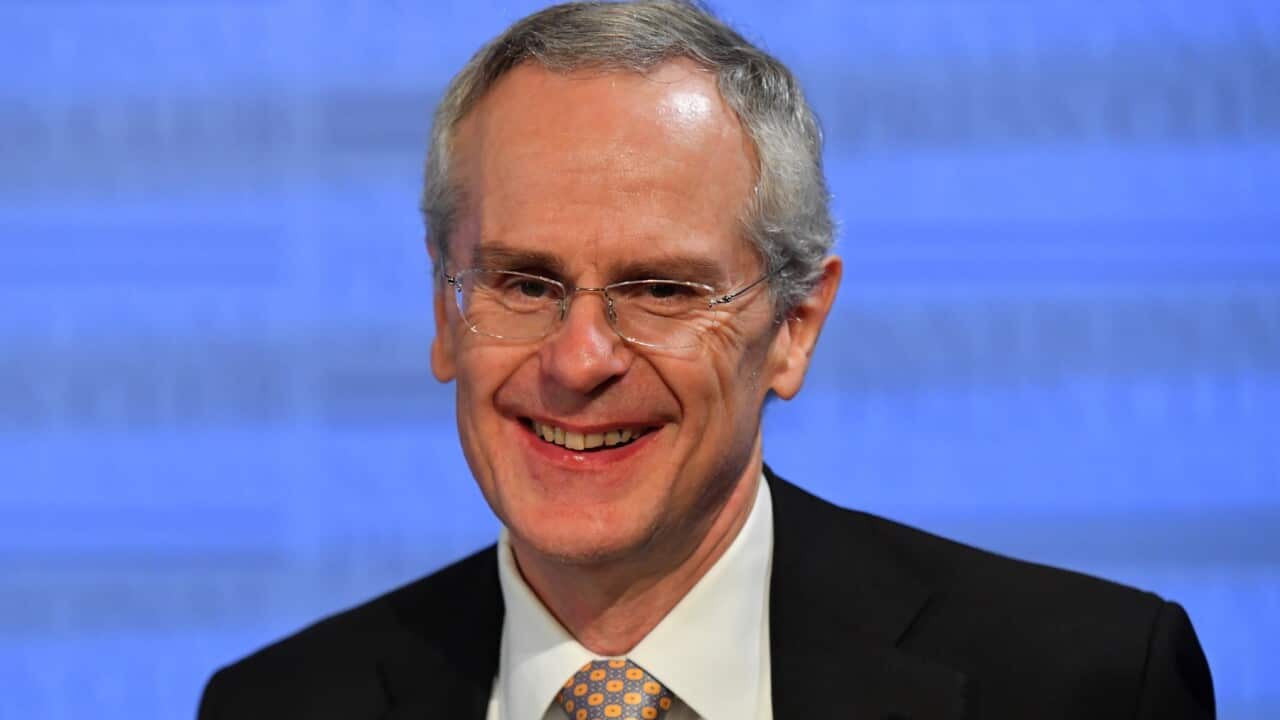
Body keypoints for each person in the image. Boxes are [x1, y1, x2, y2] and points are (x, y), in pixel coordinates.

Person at [198, 2, 1214, 718]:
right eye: (525, 284)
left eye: (661, 289)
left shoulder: (1080, 685)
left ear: (794, 327)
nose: (579, 359)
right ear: (443, 312)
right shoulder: (276, 705)